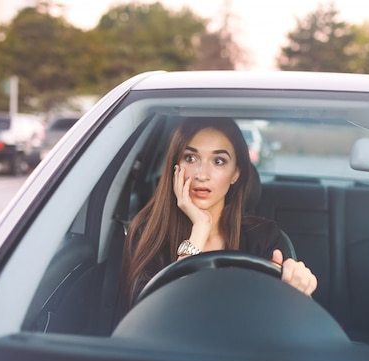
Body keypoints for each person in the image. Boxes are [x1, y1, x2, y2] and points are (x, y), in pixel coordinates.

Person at [122, 116, 317, 309]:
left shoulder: (264, 238)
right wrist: (200, 229)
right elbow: (151, 316)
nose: (202, 174)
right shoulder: (147, 233)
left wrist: (297, 285)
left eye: (218, 161)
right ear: (175, 167)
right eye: (190, 158)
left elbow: (280, 319)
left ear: (236, 174)